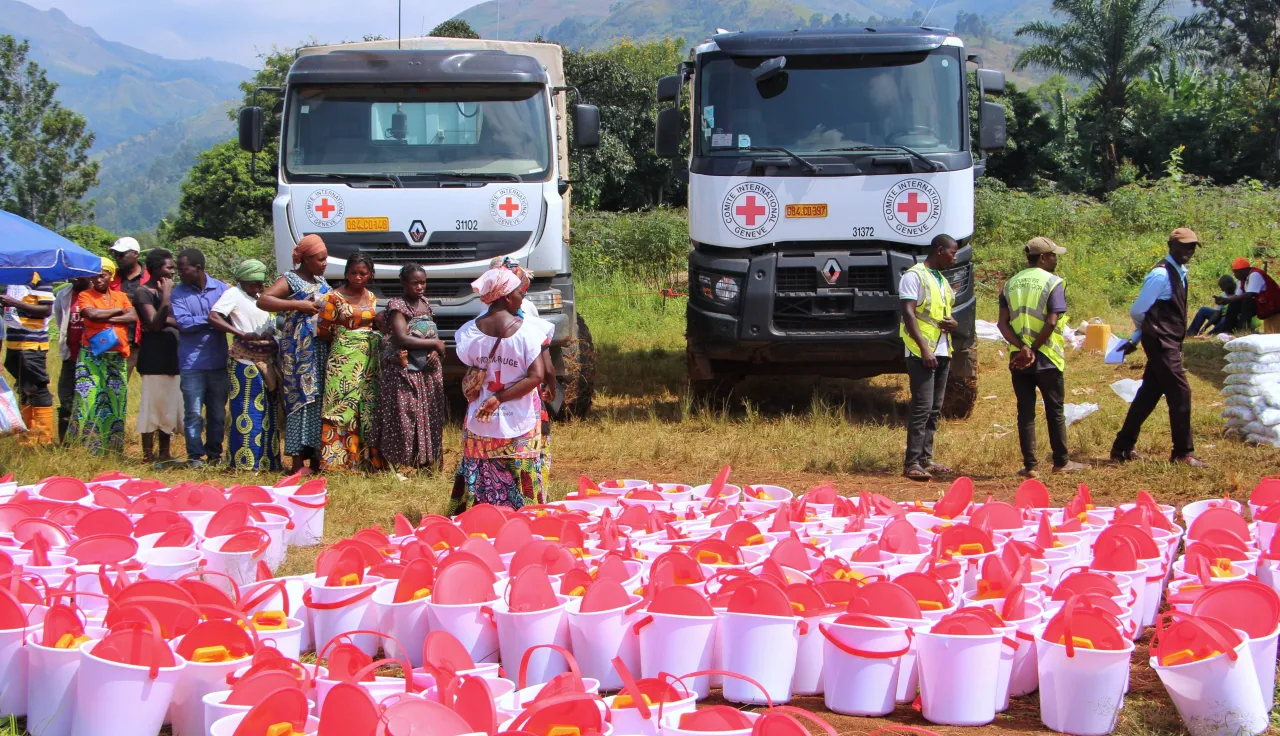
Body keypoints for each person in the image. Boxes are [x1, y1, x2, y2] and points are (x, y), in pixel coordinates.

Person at [448, 266, 548, 512]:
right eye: (519, 293)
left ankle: (477, 520)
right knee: (521, 469)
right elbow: (537, 376)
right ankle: (525, 520)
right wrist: (501, 398)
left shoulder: (469, 331)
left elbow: (470, 366)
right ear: (505, 296)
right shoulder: (526, 331)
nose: (522, 298)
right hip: (520, 417)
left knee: (478, 468)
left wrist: (492, 398)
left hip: (480, 418)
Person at [1111, 228, 1205, 466]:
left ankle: (1122, 448)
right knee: (1181, 393)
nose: (1189, 251)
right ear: (1170, 246)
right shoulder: (1160, 275)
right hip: (1162, 342)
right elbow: (1138, 311)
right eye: (1184, 246)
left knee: (1148, 395)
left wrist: (1137, 336)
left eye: (1192, 247)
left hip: (1167, 340)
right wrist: (1146, 332)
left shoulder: (1180, 272)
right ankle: (1183, 453)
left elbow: (1154, 312)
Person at [997, 237, 1086, 478]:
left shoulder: (1010, 284)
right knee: (1054, 410)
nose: (1056, 259)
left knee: (1025, 411)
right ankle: (1061, 462)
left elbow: (1002, 324)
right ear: (1043, 258)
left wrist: (1022, 348)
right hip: (1046, 357)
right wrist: (1034, 348)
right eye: (1054, 255)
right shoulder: (1053, 282)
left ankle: (1031, 466)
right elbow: (1051, 321)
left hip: (1019, 359)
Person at [258, 234, 331, 476]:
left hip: (320, 348)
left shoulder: (320, 279)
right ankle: (298, 464)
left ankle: (318, 460)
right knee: (301, 401)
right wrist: (297, 305)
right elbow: (264, 300)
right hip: (299, 352)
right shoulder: (290, 279)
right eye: (320, 259)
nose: (325, 263)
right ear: (306, 259)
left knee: (318, 401)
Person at [209, 259, 281, 471]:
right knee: (247, 411)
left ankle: (266, 461)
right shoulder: (233, 295)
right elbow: (214, 316)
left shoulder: (261, 297)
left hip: (265, 359)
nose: (258, 287)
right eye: (253, 284)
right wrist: (240, 333)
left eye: (260, 283)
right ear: (241, 280)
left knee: (267, 412)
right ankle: (244, 463)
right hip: (244, 360)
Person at [899, 234, 959, 482]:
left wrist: (954, 323)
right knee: (922, 408)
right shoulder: (914, 275)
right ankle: (911, 462)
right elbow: (908, 313)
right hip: (921, 351)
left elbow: (943, 315)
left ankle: (925, 458)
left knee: (934, 409)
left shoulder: (942, 280)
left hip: (942, 349)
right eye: (952, 252)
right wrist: (924, 348)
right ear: (939, 250)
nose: (954, 257)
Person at [376, 264, 447, 472]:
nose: (419, 287)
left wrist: (436, 350)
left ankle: (427, 463)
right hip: (406, 371)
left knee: (430, 415)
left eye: (422, 282)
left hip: (428, 372)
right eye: (414, 282)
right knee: (406, 416)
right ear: (404, 283)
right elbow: (402, 338)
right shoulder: (397, 305)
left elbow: (432, 335)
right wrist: (435, 344)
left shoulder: (425, 303)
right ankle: (399, 465)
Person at [317, 252, 383, 472]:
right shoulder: (333, 298)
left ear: (370, 275)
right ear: (346, 273)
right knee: (340, 405)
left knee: (365, 407)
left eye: (363, 273)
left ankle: (363, 461)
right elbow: (323, 331)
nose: (357, 277)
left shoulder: (372, 297)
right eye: (353, 272)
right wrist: (346, 341)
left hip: (367, 360)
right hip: (343, 360)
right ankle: (337, 462)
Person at [170, 247, 230, 469]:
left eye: (183, 269)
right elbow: (184, 324)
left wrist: (209, 319)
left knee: (217, 413)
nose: (179, 273)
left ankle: (215, 455)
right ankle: (195, 456)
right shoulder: (178, 293)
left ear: (198, 268)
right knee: (194, 412)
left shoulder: (222, 289)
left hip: (218, 362)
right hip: (192, 363)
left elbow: (232, 316)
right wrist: (213, 319)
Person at [67, 258, 135, 455]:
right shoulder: (85, 295)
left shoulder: (121, 295)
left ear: (110, 276)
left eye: (103, 273)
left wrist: (105, 314)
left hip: (117, 357)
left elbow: (132, 317)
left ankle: (111, 448)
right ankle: (84, 449)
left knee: (115, 400)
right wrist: (117, 312)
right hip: (91, 356)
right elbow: (91, 315)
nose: (99, 278)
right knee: (87, 399)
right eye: (95, 274)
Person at [132, 249, 183, 463]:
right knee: (152, 406)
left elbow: (179, 321)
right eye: (168, 267)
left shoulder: (175, 291)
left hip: (174, 356)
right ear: (153, 269)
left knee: (169, 406)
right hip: (154, 359)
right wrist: (166, 297)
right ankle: (147, 455)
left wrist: (166, 320)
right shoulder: (143, 292)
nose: (172, 271)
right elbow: (153, 323)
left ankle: (164, 453)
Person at [2, 273, 55, 445]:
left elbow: (46, 310)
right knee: (24, 388)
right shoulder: (11, 279)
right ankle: (28, 436)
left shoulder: (39, 279)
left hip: (32, 344)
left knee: (37, 388)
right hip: (14, 343)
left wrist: (14, 303)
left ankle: (43, 437)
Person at [52, 275, 91, 442]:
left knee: (89, 402)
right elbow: (62, 324)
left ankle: (89, 442)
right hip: (70, 358)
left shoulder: (95, 293)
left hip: (92, 358)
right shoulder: (64, 295)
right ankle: (66, 442)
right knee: (66, 400)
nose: (74, 277)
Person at [109, 237, 149, 378]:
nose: (117, 258)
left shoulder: (150, 278)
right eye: (115, 255)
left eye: (121, 254)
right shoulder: (111, 278)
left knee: (151, 382)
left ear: (135, 254)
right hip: (118, 339)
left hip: (146, 340)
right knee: (117, 382)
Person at [1218, 257, 1280, 334]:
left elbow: (1249, 294)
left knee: (1247, 301)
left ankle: (1244, 330)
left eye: (1236, 272)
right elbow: (1237, 296)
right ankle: (1228, 331)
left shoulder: (1255, 275)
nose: (1235, 275)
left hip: (1272, 304)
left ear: (1243, 270)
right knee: (1234, 304)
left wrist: (1228, 300)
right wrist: (1225, 300)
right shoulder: (1243, 280)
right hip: (1262, 304)